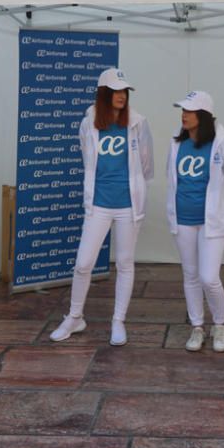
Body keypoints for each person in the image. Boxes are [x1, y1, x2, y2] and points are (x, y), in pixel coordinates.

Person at [50, 68, 154, 347]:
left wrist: (134, 190)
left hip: (127, 206)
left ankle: (118, 321)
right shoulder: (88, 124)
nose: (121, 96)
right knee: (84, 263)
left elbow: (146, 165)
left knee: (124, 263)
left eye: (124, 92)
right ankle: (75, 317)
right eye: (116, 91)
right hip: (98, 204)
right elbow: (88, 161)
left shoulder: (138, 123)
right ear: (104, 93)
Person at [166, 91, 224, 353]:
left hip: (212, 222)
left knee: (208, 277)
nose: (183, 115)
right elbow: (172, 179)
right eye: (182, 110)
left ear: (203, 115)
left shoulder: (223, 144)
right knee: (190, 275)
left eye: (189, 111)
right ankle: (197, 326)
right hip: (184, 219)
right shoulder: (177, 144)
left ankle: (220, 324)